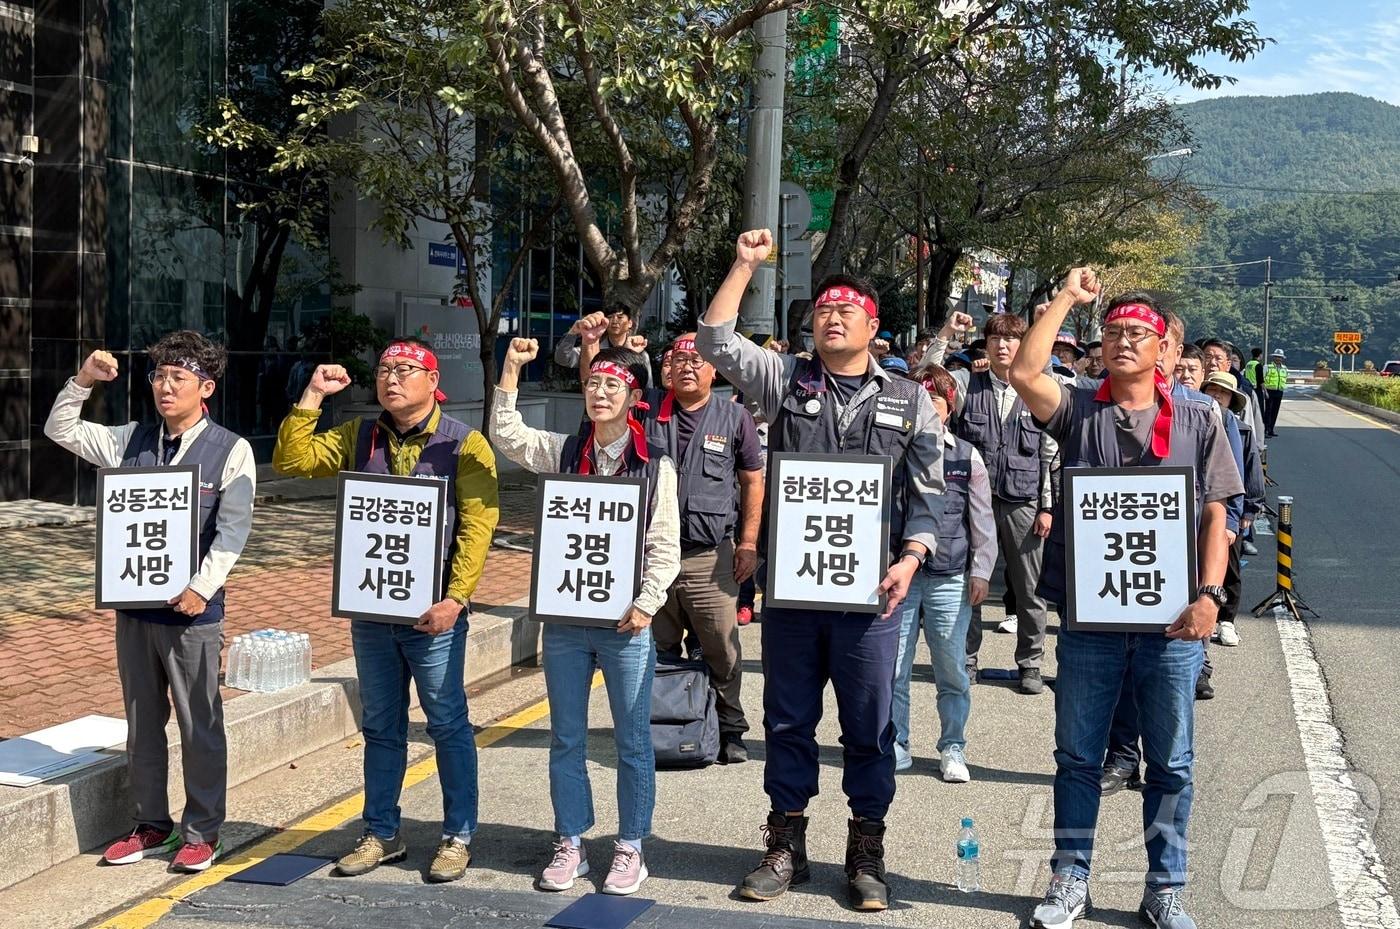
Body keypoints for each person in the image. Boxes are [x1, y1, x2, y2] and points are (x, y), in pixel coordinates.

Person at [699, 229, 946, 912]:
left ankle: (867, 847)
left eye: (846, 311)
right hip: (795, 593)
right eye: (822, 311)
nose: (831, 318)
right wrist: (744, 262)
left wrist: (911, 558)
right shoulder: (786, 380)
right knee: (788, 719)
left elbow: (928, 496)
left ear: (872, 325)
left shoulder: (909, 399)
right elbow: (716, 342)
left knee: (868, 726)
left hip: (871, 596)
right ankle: (786, 842)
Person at [1011, 278, 1242, 929]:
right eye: (1111, 331)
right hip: (1092, 624)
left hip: (1173, 627)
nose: (1121, 340)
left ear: (1166, 348)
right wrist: (1065, 298)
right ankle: (1070, 878)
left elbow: (1217, 517)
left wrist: (1208, 596)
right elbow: (1027, 370)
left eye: (1136, 331)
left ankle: (1164, 887)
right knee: (1079, 755)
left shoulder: (1200, 416)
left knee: (1170, 761)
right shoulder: (1079, 407)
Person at [273, 336, 499, 883]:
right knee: (380, 726)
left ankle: (457, 834)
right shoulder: (359, 435)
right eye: (383, 370)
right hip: (372, 613)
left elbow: (477, 524)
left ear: (432, 381)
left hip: (434, 616)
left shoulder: (464, 444)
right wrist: (312, 396)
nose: (390, 379)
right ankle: (381, 832)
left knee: (447, 722)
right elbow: (291, 459)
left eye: (404, 370)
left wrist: (456, 598)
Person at [44, 332, 256, 873]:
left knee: (198, 724)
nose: (165, 386)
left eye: (177, 377)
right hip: (135, 609)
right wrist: (83, 380)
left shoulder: (232, 450)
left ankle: (203, 831)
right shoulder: (130, 439)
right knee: (142, 723)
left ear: (205, 387)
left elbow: (232, 534)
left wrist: (200, 589)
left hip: (192, 614)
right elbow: (60, 429)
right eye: (159, 375)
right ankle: (150, 825)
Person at [491, 340, 679, 896]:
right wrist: (509, 369)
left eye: (612, 385)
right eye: (593, 383)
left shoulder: (653, 463)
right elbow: (507, 435)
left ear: (633, 397)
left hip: (626, 623)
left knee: (631, 740)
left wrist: (647, 601)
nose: (600, 392)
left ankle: (630, 846)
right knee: (566, 737)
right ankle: (570, 840)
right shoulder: (565, 450)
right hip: (568, 622)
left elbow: (664, 544)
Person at [925, 310, 1056, 695]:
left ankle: (1030, 663)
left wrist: (1047, 506)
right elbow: (927, 379)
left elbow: (1050, 454)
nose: (1002, 346)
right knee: (971, 581)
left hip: (1023, 500)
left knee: (1031, 587)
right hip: (969, 499)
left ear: (1023, 345)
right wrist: (947, 331)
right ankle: (966, 659)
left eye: (1011, 339)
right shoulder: (967, 382)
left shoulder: (1039, 388)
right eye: (995, 339)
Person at [648, 334, 764, 764]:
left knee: (722, 650)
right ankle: (664, 726)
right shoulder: (645, 411)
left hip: (709, 557)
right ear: (667, 368)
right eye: (679, 359)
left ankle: (731, 729)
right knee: (656, 651)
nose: (688, 367)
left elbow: (753, 480)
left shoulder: (734, 417)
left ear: (714, 369)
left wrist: (748, 544)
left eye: (698, 360)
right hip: (652, 559)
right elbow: (599, 393)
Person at [891, 363, 995, 781]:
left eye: (936, 400)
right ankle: (896, 741)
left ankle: (953, 746)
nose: (929, 407)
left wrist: (982, 571)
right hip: (899, 573)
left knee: (950, 666)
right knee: (893, 666)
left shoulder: (967, 455)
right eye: (922, 398)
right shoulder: (891, 447)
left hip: (950, 573)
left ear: (949, 408)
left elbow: (982, 520)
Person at [1262, 349, 1287, 437]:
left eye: (1280, 357)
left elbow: (1284, 379)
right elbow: (1262, 379)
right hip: (1269, 391)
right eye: (1276, 357)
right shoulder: (1267, 367)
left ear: (1282, 358)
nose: (1278, 359)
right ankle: (1265, 430)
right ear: (1273, 357)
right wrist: (1264, 391)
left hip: (1279, 392)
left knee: (1275, 411)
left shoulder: (1284, 368)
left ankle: (1271, 430)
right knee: (1268, 411)